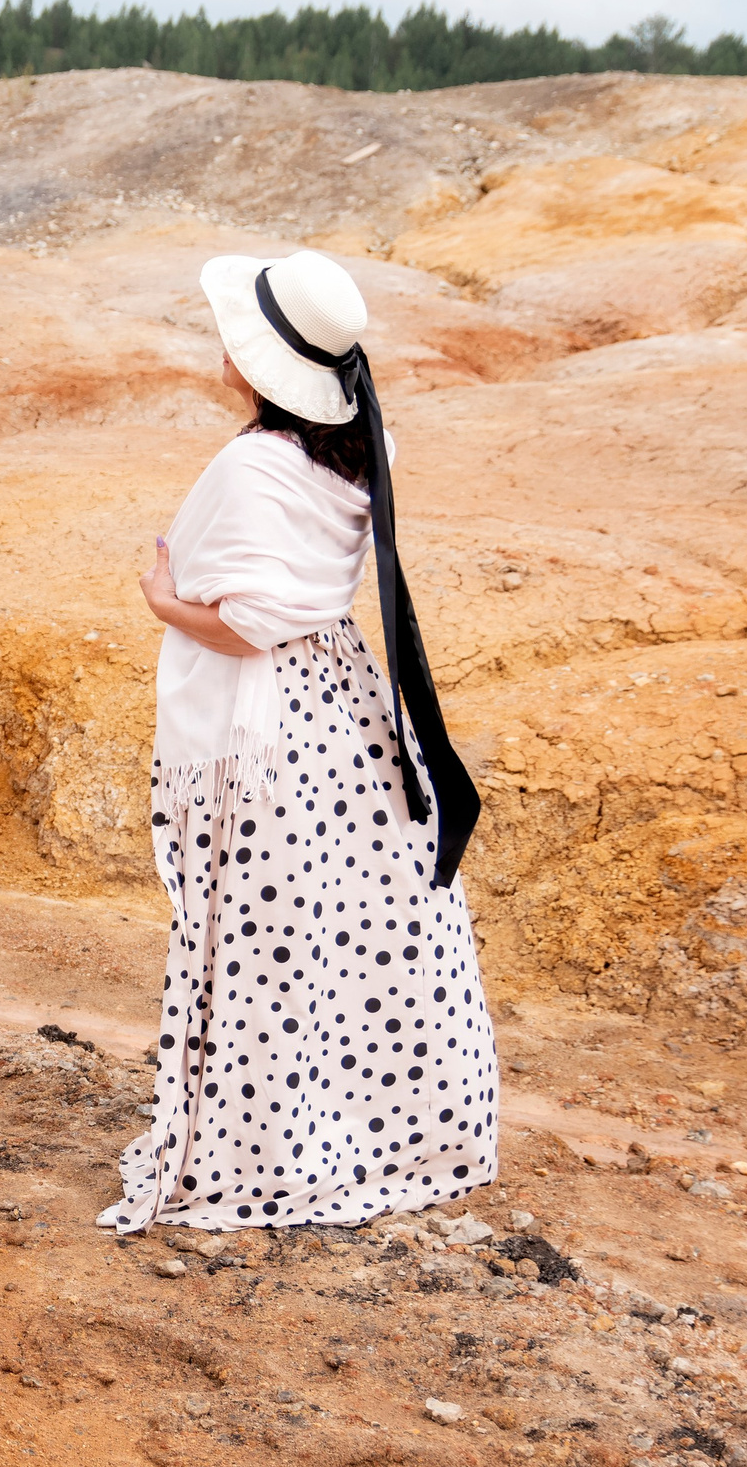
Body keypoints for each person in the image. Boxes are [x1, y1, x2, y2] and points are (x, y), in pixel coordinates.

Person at [100, 249, 494, 1236]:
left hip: (265, 719)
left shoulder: (252, 463)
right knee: (345, 932)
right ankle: (379, 1128)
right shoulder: (368, 444)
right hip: (345, 708)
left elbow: (243, 625)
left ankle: (263, 1153)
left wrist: (160, 599)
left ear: (262, 363)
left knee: (262, 943)